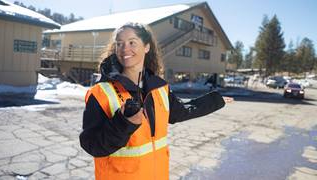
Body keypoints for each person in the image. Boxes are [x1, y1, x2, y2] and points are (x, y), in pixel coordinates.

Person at [79, 22, 232, 180]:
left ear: (146, 47)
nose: (125, 48)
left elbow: (182, 111)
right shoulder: (100, 92)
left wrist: (215, 100)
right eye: (119, 44)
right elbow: (92, 144)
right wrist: (123, 124)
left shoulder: (159, 88)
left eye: (132, 42)